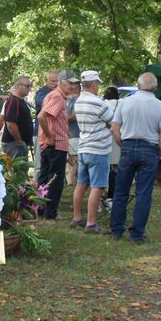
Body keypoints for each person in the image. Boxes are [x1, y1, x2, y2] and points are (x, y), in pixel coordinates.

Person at [109, 73, 161, 243]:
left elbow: (114, 129)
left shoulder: (125, 102)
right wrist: (158, 153)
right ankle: (136, 234)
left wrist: (123, 145)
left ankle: (116, 230)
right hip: (149, 148)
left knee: (121, 191)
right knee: (143, 194)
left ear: (138, 85)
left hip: (128, 147)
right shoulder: (160, 106)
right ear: (155, 87)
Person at [71, 70, 114, 232]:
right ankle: (91, 223)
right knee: (98, 186)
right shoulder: (98, 103)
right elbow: (113, 122)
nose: (99, 87)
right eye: (98, 83)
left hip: (83, 147)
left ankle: (77, 218)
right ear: (94, 83)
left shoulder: (79, 101)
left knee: (81, 184)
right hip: (98, 149)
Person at [37, 70, 79, 220]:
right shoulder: (57, 97)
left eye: (74, 84)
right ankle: (50, 213)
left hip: (51, 144)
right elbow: (41, 116)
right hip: (54, 145)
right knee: (55, 180)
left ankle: (40, 209)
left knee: (44, 177)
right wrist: (49, 136)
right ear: (62, 82)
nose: (73, 86)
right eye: (70, 83)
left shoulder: (54, 96)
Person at [0, 76, 33, 159]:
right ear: (18, 86)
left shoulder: (20, 101)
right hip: (13, 145)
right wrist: (19, 141)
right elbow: (10, 124)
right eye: (27, 86)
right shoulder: (14, 101)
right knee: (16, 167)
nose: (29, 89)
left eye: (30, 86)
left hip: (17, 145)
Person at [33, 70, 59, 161]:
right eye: (53, 81)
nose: (56, 83)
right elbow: (47, 106)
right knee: (40, 165)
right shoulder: (41, 93)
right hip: (41, 134)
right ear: (46, 80)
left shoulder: (59, 93)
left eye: (58, 81)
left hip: (55, 134)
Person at [102, 86, 121, 202]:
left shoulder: (103, 104)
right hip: (117, 135)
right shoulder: (121, 103)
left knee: (107, 165)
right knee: (117, 163)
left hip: (105, 136)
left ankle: (106, 187)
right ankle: (117, 186)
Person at [65, 79, 82, 187]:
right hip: (69, 134)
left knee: (75, 159)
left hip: (76, 133)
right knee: (70, 159)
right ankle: (71, 181)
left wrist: (62, 119)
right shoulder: (69, 100)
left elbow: (76, 116)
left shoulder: (79, 100)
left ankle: (75, 181)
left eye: (73, 86)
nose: (70, 88)